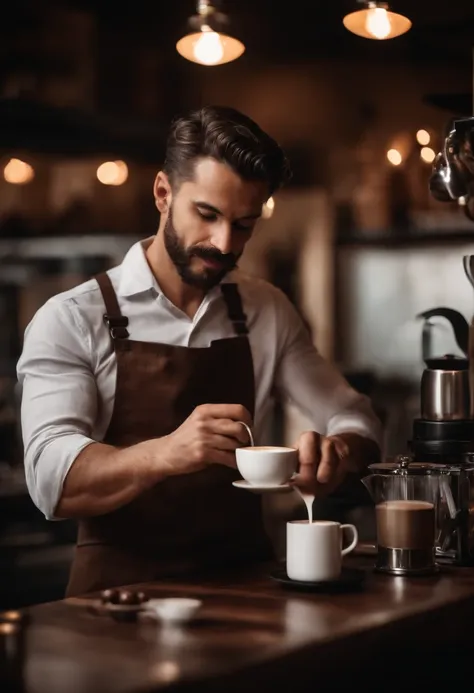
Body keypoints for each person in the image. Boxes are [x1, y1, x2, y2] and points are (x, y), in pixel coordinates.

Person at [17, 105, 382, 596]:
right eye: (207, 215)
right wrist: (166, 453)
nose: (224, 243)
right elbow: (51, 480)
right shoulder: (72, 318)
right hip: (116, 605)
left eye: (245, 224)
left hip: (248, 594)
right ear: (164, 194)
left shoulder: (265, 309)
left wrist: (338, 452)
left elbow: (357, 417)